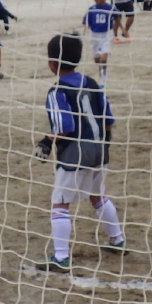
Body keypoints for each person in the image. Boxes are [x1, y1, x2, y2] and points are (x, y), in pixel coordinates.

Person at [34, 34, 124, 271]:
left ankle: (61, 257)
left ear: (52, 63)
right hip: (99, 150)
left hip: (75, 154)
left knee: (60, 203)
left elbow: (64, 126)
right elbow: (108, 120)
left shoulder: (57, 90)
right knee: (98, 196)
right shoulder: (92, 83)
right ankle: (117, 239)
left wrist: (47, 141)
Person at [82, 0, 116, 86]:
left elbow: (117, 19)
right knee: (97, 58)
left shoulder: (110, 8)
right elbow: (87, 22)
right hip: (94, 36)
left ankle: (103, 80)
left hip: (107, 34)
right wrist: (85, 31)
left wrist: (120, 31)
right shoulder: (91, 9)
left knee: (104, 58)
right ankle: (101, 68)